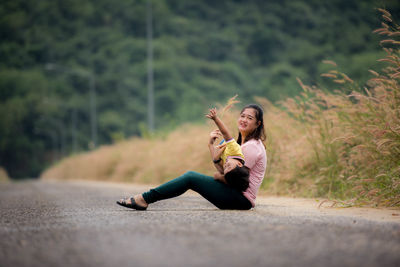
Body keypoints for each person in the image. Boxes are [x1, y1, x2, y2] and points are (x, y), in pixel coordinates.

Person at [116, 104, 267, 210]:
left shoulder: (251, 147)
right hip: (235, 196)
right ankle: (145, 199)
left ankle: (144, 199)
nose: (244, 120)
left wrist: (217, 178)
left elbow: (240, 183)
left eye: (249, 118)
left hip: (241, 199)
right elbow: (227, 173)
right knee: (191, 178)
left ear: (257, 123)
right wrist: (214, 154)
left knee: (191, 178)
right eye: (242, 116)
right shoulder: (242, 144)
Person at [205, 107, 249, 192]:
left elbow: (215, 160)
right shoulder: (235, 150)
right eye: (228, 166)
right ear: (239, 164)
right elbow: (225, 133)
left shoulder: (229, 169)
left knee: (217, 176)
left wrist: (210, 144)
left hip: (221, 146)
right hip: (226, 143)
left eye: (225, 167)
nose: (225, 165)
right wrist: (215, 119)